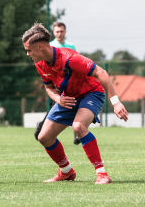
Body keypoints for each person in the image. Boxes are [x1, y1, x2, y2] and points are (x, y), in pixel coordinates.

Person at [22, 23, 128, 185]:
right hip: (68, 97)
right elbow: (49, 87)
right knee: (44, 137)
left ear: (40, 47)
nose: (27, 53)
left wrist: (116, 102)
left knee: (78, 126)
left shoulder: (69, 58)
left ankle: (102, 174)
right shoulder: (40, 64)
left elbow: (101, 73)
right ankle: (66, 172)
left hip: (91, 93)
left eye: (29, 50)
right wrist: (58, 99)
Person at [34, 22, 81, 145]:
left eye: (61, 31)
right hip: (56, 83)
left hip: (70, 83)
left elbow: (76, 62)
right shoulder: (51, 46)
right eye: (57, 31)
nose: (59, 33)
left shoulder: (71, 46)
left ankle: (77, 132)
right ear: (53, 33)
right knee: (57, 106)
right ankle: (41, 127)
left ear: (65, 32)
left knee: (74, 104)